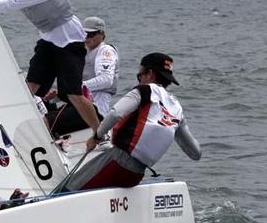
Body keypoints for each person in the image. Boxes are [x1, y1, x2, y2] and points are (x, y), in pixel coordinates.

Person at [0, 0, 100, 135]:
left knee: (73, 94)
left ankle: (100, 133)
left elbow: (9, 4)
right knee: (29, 89)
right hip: (48, 40)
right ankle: (26, 135)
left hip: (70, 41)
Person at [61, 52, 201, 192]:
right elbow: (195, 153)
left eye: (139, 75)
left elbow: (115, 114)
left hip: (116, 163)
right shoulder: (176, 108)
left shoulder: (144, 91)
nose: (139, 79)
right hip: (135, 175)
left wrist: (96, 137)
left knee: (65, 191)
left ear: (150, 73)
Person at [44, 16, 119, 135]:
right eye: (85, 34)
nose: (87, 38)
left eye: (91, 34)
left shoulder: (105, 51)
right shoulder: (85, 52)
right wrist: (56, 95)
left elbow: (106, 80)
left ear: (102, 34)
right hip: (80, 106)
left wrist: (75, 87)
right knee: (42, 109)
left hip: (95, 110)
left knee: (45, 122)